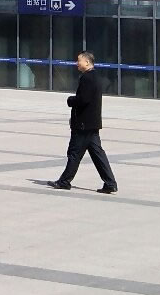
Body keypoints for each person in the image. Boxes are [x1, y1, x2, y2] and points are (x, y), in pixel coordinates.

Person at [46, 51, 118, 194]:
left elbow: (83, 99)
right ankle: (110, 183)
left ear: (87, 62)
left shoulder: (87, 78)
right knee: (98, 155)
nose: (76, 63)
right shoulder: (95, 76)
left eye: (79, 60)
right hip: (92, 123)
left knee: (74, 153)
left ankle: (64, 181)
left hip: (83, 125)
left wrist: (70, 100)